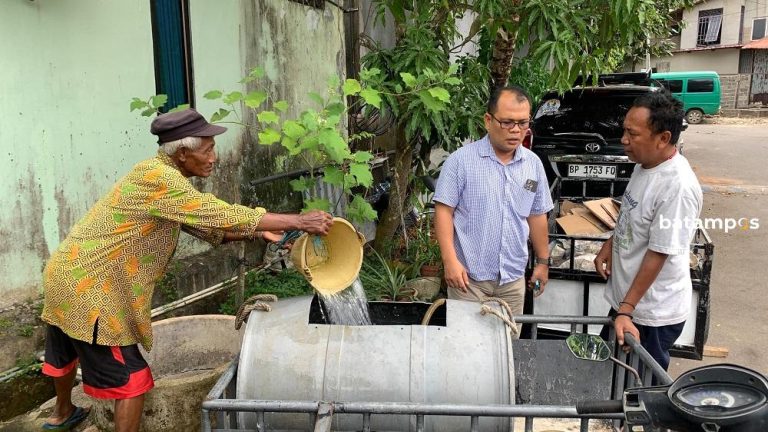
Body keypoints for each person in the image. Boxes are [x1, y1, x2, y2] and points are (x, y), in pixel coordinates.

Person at [39, 109, 333, 432]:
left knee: (64, 348)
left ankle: (62, 413)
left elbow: (208, 228)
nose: (213, 158)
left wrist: (260, 232)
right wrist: (299, 221)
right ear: (182, 154)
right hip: (92, 292)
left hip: (65, 274)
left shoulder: (157, 175)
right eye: (207, 150)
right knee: (133, 380)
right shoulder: (161, 180)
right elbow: (220, 215)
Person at [594, 91, 702, 371]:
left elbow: (659, 253)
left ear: (663, 138)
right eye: (624, 131)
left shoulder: (677, 187)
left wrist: (627, 309)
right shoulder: (646, 165)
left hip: (651, 314)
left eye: (633, 133)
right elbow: (631, 212)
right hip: (628, 307)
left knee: (639, 394)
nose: (624, 140)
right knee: (611, 377)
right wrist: (610, 243)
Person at [433, 86, 553, 330]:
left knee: (506, 351)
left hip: (512, 282)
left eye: (522, 123)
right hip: (469, 281)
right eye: (507, 122)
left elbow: (536, 214)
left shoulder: (532, 165)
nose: (516, 130)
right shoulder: (461, 161)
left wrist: (542, 262)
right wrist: (450, 261)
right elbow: (444, 211)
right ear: (488, 120)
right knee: (465, 350)